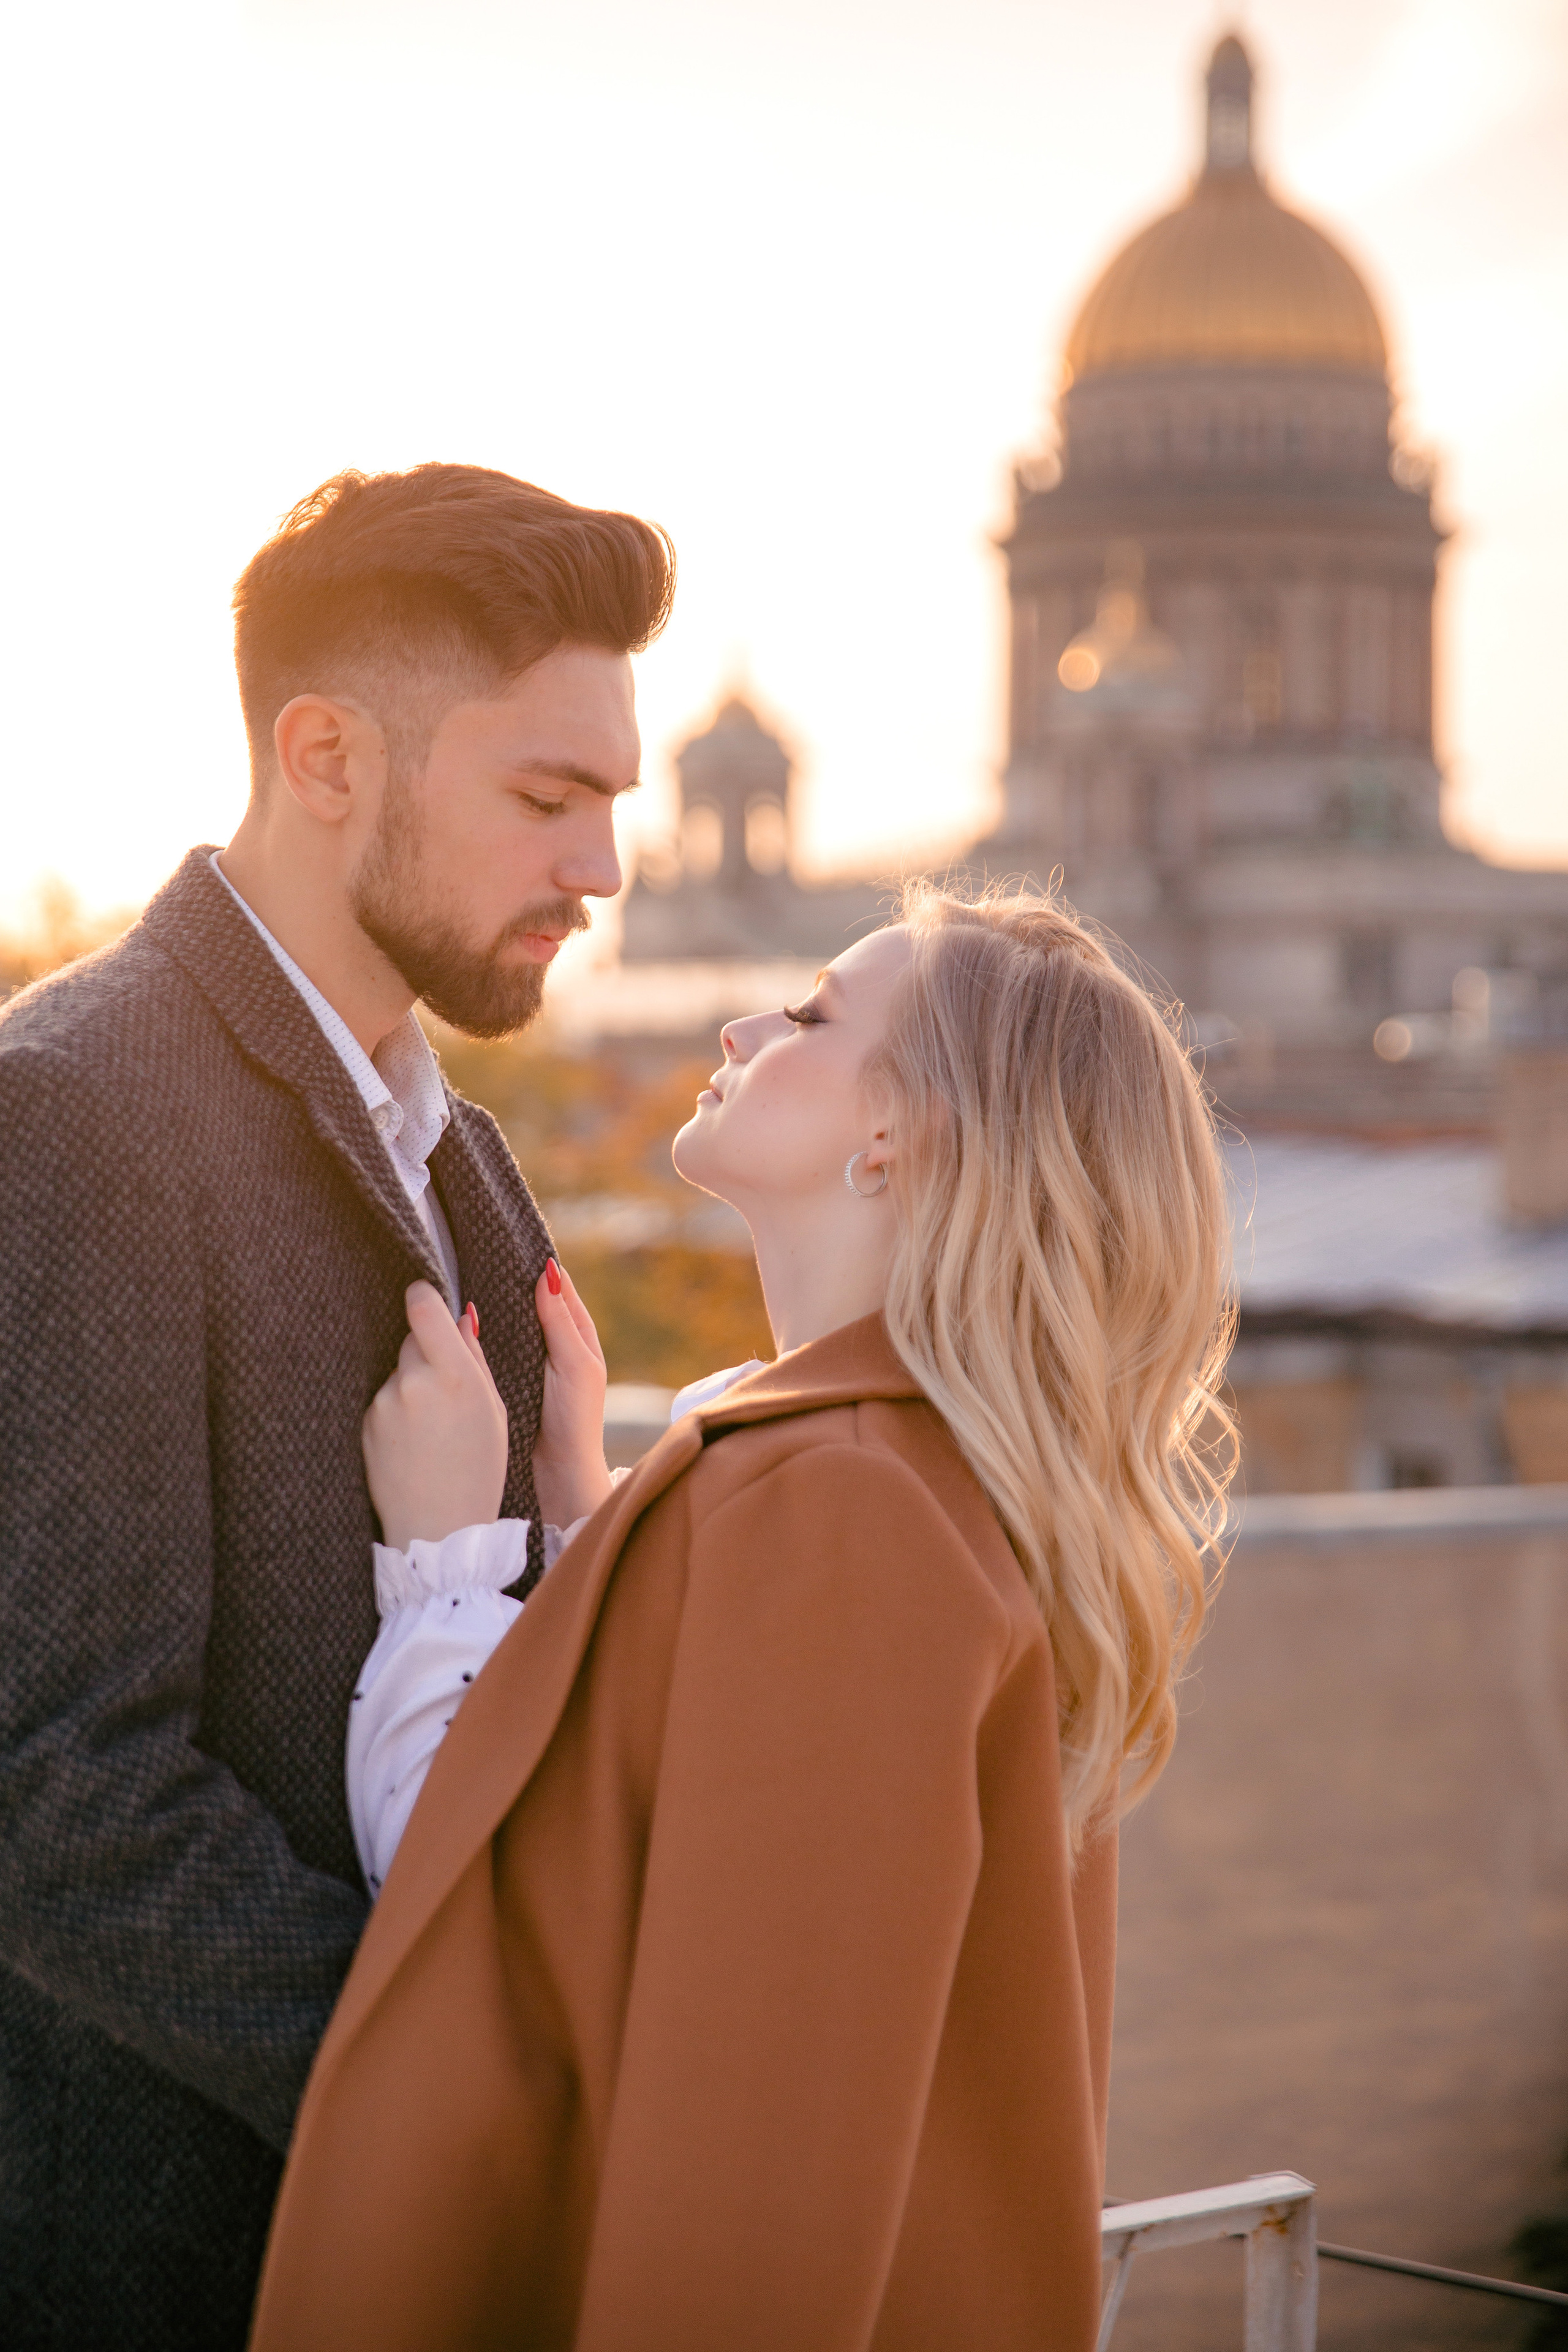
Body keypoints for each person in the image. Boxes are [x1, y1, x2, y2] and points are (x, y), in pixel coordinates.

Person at [251, 883, 1238, 2352]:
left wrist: (445, 1560)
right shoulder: (915, 1474)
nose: (738, 1029)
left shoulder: (840, 1506)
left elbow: (527, 1932)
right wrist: (592, 1522)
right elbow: (675, 1860)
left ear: (897, 1131)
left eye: (808, 1017)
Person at [0, 462, 674, 2351]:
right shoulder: (71, 1113)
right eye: (547, 797)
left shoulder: (463, 1154)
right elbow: (55, 1781)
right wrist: (450, 2099)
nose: (604, 867)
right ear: (324, 757)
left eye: (614, 801)